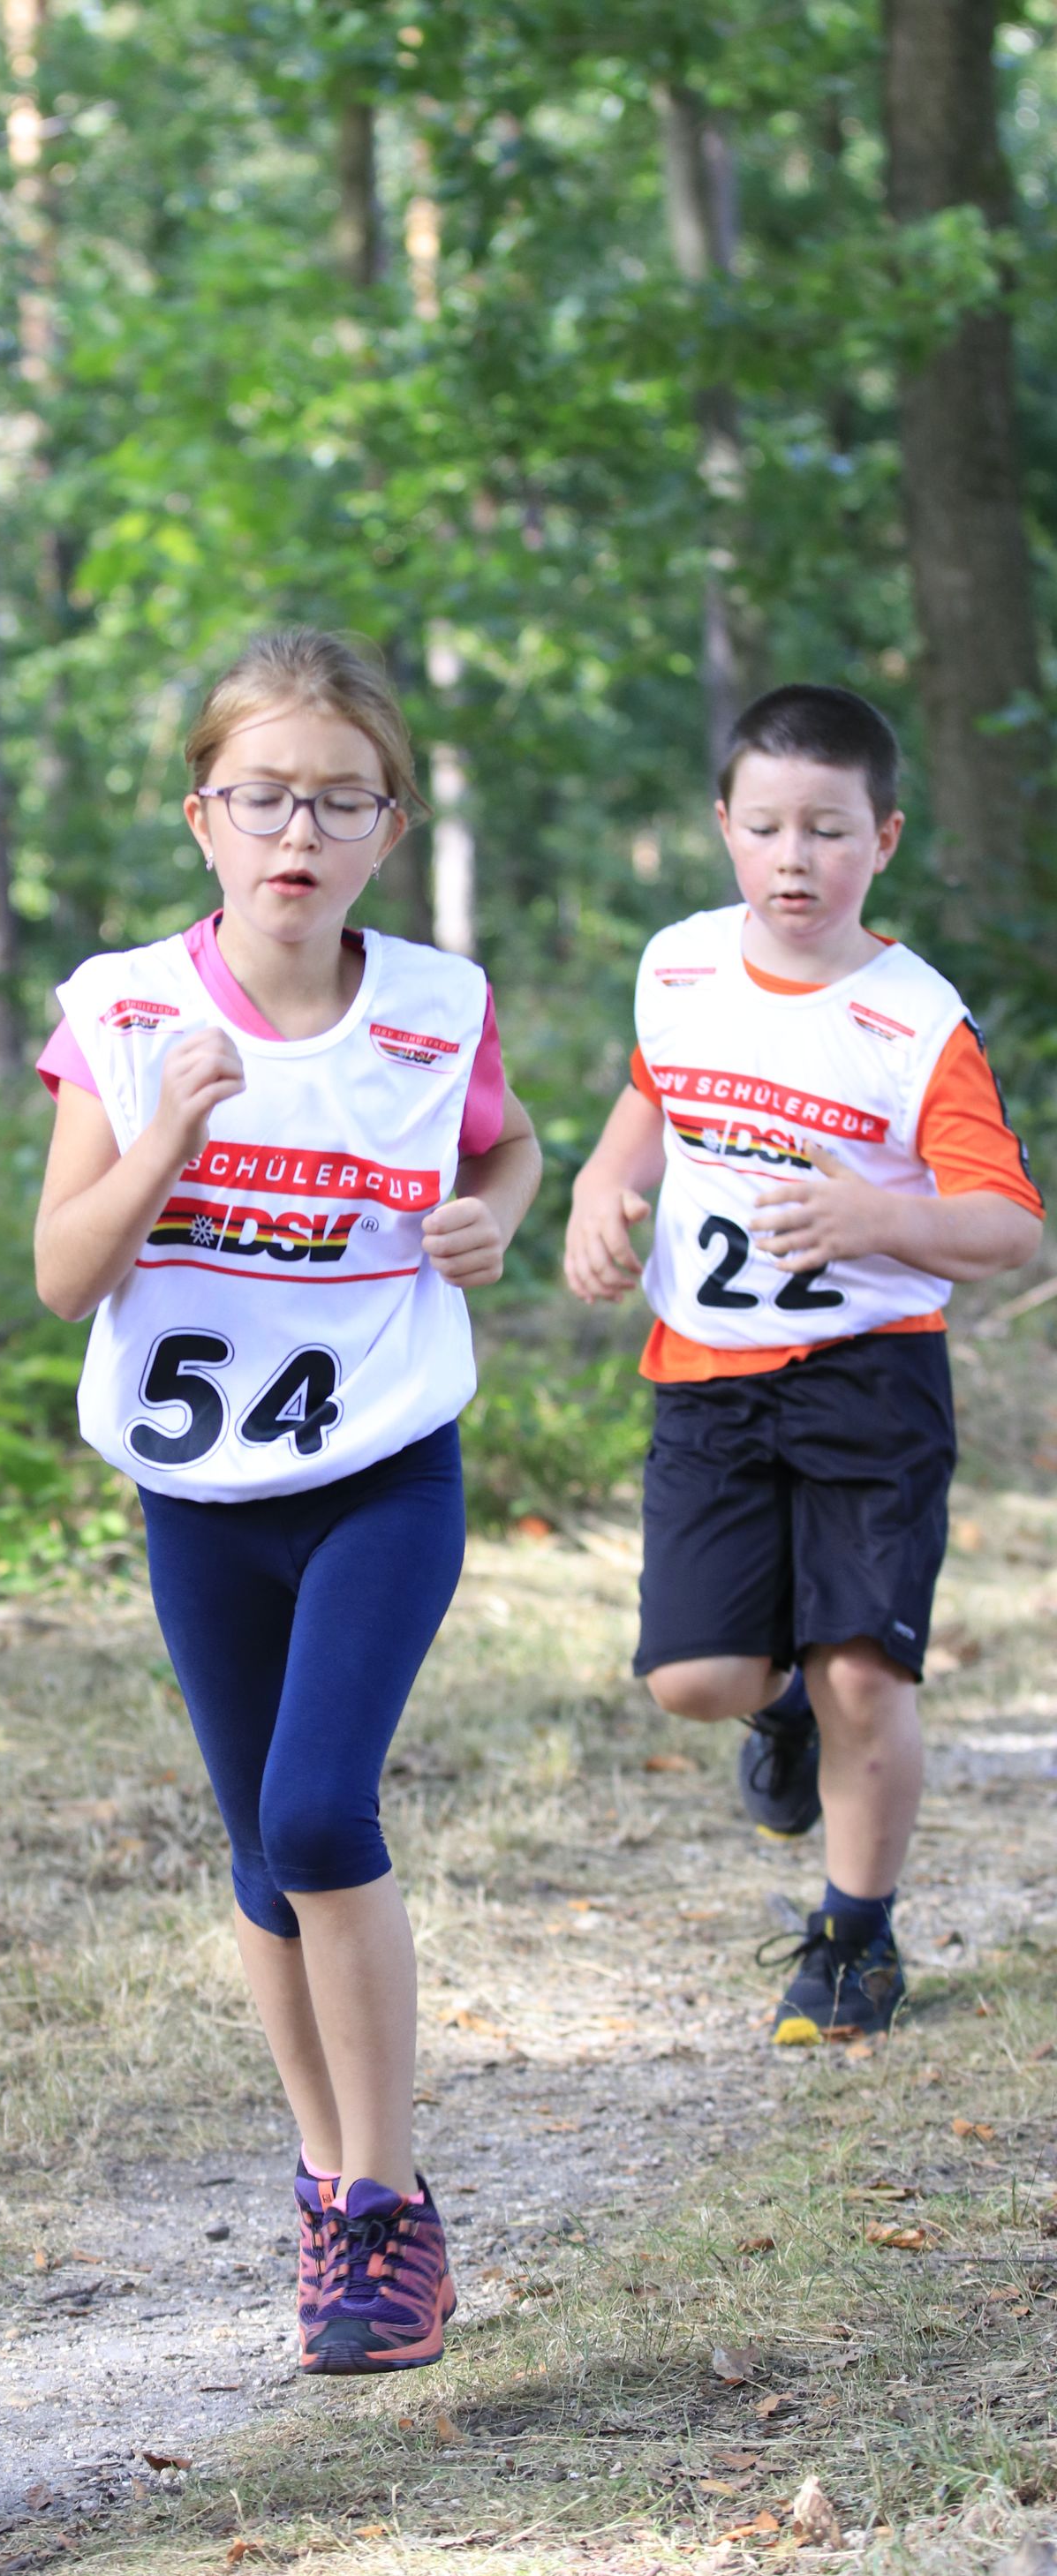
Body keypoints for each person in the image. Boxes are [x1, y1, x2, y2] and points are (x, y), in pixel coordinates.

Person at [34, 629, 541, 2371]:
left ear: (389, 827)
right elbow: (63, 1273)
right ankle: (330, 2188)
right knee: (260, 1847)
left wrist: (495, 1216)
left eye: (339, 800)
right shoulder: (121, 1012)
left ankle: (390, 2208)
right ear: (204, 816)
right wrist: (164, 1141)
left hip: (382, 1465)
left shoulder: (435, 1004)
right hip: (200, 1494)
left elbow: (504, 1141)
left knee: (322, 1812)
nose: (297, 833)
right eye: (263, 798)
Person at [564, 684, 1043, 2045]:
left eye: (828, 830)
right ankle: (779, 1717)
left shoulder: (917, 1022)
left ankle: (856, 1936)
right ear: (724, 825)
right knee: (697, 1681)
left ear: (882, 840)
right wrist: (603, 1186)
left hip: (866, 1377)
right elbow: (653, 1094)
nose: (794, 859)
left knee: (864, 1674)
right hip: (706, 1371)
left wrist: (877, 1218)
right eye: (767, 827)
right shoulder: (679, 965)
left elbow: (1007, 1224)